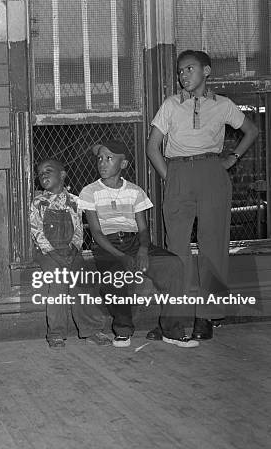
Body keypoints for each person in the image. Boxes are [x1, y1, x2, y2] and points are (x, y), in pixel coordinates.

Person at [147, 50, 259, 340]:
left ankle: (207, 318)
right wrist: (170, 178)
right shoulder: (171, 105)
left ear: (206, 71)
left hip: (212, 173)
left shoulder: (223, 105)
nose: (183, 75)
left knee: (213, 247)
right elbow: (153, 146)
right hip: (178, 174)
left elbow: (251, 130)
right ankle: (173, 319)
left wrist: (232, 158)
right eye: (180, 71)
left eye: (190, 69)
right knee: (176, 251)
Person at [79, 140, 199, 348]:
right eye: (99, 158)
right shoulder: (90, 192)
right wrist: (121, 257)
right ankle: (123, 330)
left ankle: (172, 330)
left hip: (134, 242)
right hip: (107, 245)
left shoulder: (135, 191)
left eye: (109, 158)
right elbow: (97, 234)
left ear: (123, 164)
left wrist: (143, 249)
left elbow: (143, 228)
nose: (102, 163)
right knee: (115, 276)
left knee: (174, 265)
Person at [30, 159, 112, 348]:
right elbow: (38, 234)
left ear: (62, 175)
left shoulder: (74, 201)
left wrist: (74, 250)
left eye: (48, 171)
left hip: (70, 250)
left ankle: (92, 329)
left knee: (82, 281)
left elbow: (78, 232)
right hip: (46, 252)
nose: (43, 175)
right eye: (40, 173)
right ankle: (56, 333)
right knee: (59, 280)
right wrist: (57, 256)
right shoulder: (38, 202)